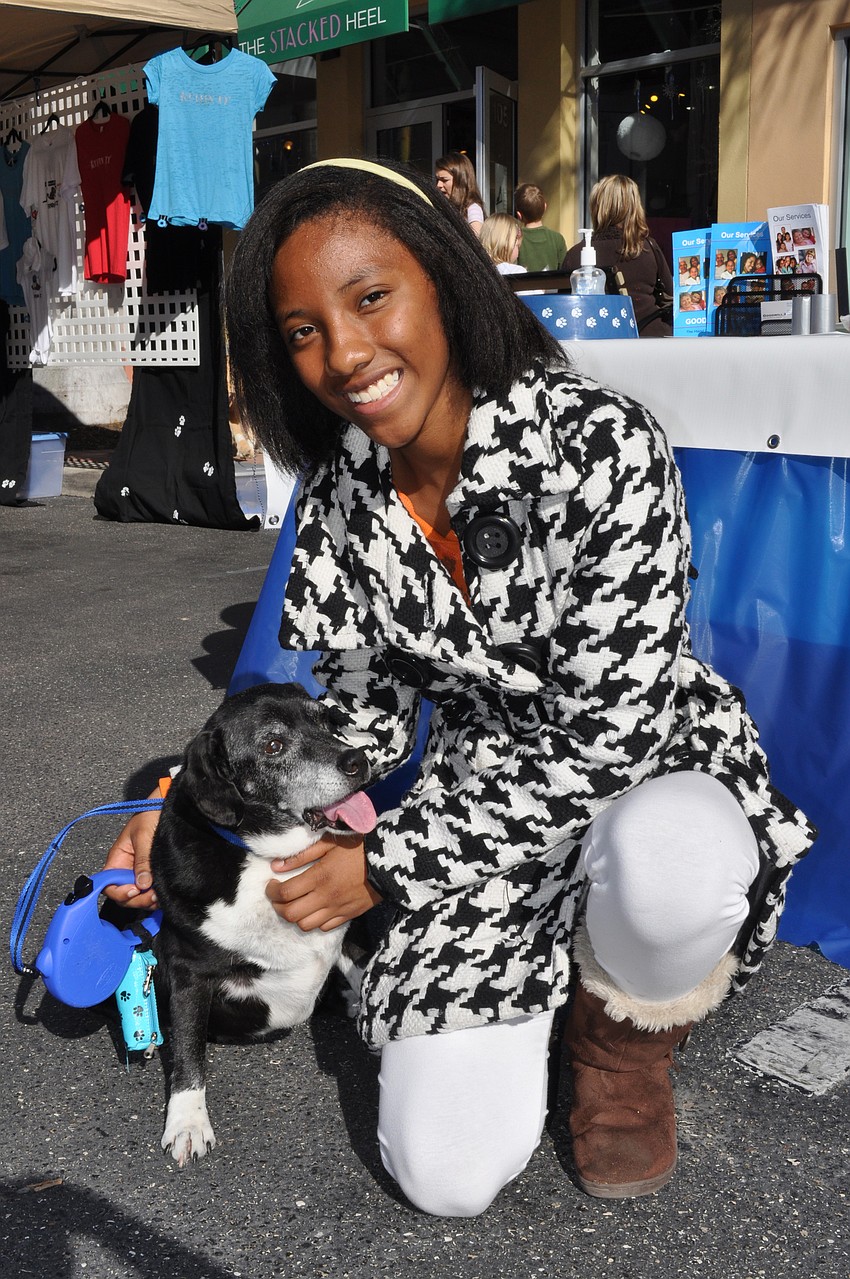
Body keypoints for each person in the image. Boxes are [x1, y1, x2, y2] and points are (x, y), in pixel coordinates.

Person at [105, 157, 815, 1218]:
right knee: (446, 1176)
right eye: (301, 330)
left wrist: (384, 861)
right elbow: (355, 723)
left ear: (443, 278)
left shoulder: (601, 443)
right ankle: (533, 978)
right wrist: (190, 806)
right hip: (476, 797)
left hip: (647, 763)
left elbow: (603, 738)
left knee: (670, 862)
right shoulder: (342, 498)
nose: (342, 353)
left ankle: (619, 1039)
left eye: (369, 297)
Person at [561, 174, 674, 336]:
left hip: (597, 337)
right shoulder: (648, 247)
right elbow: (669, 293)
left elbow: (565, 304)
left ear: (597, 207)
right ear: (635, 208)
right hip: (649, 335)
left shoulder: (576, 253)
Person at [513, 183, 567, 272]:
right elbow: (564, 271)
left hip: (523, 286)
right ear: (545, 207)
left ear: (519, 215)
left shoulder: (515, 238)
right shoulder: (557, 239)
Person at [434, 152, 485, 235]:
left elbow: (476, 239)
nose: (438, 185)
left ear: (460, 181)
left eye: (444, 180)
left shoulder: (472, 209)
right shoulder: (440, 207)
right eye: (437, 180)